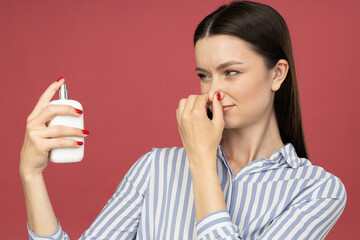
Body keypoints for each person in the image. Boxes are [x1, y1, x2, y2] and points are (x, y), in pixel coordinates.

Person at [20, 1, 347, 239]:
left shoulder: (318, 191)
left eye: (230, 72)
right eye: (204, 75)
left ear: (277, 74)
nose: (214, 91)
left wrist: (202, 161)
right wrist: (32, 176)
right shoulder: (154, 169)